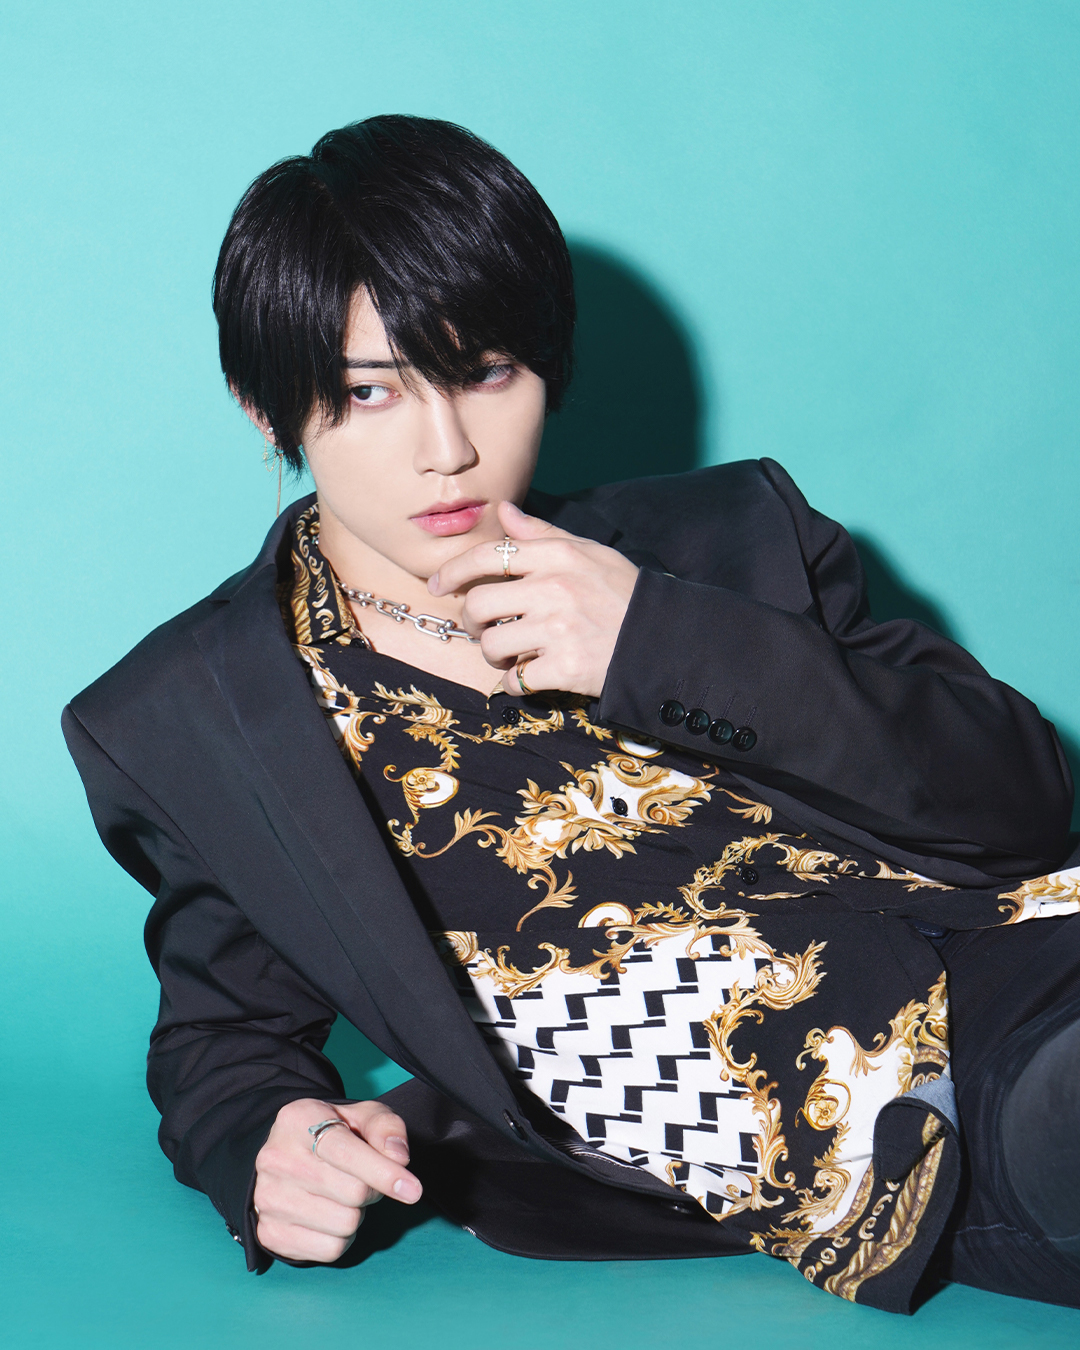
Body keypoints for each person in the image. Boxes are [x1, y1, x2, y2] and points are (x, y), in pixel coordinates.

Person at [63, 115, 1080, 1314]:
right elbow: (224, 1040)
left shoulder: (733, 539)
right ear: (265, 405)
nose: (447, 450)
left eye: (486, 372)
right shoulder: (195, 716)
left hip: (1037, 956)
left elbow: (1022, 798)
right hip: (878, 1135)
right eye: (370, 391)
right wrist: (268, 1144)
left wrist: (660, 641)